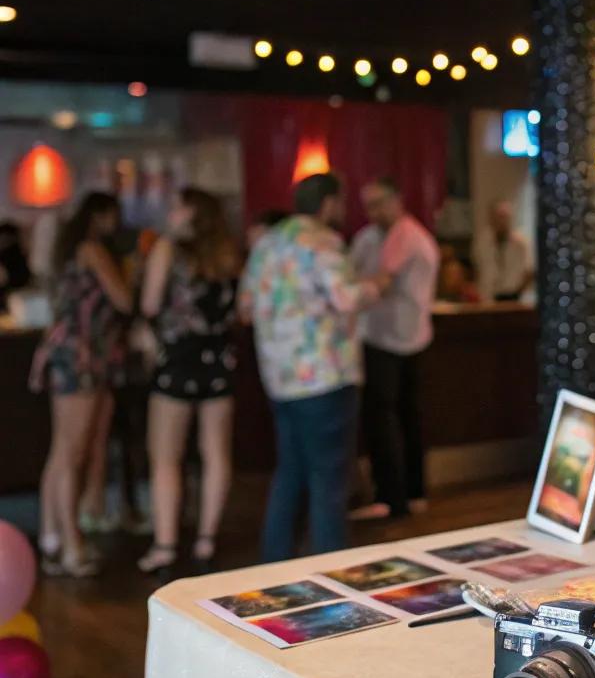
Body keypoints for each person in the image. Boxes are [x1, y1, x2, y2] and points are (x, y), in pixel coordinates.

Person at [240, 172, 383, 561]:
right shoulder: (323, 242)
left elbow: (246, 308)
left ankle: (275, 563)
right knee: (329, 480)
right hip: (325, 377)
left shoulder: (267, 243)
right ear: (328, 203)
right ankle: (329, 570)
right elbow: (347, 298)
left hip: (279, 379)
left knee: (289, 472)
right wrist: (378, 284)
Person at [137, 188, 242, 574]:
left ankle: (165, 545)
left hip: (178, 359)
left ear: (191, 212)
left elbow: (149, 304)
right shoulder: (228, 253)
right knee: (216, 453)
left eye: (177, 205)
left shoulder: (169, 249)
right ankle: (206, 540)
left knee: (166, 456)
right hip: (219, 360)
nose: (171, 211)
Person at [31, 192, 132, 577]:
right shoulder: (91, 249)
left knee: (63, 450)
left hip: (72, 351)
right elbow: (123, 299)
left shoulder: (69, 249)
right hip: (82, 354)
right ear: (101, 216)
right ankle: (70, 544)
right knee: (71, 451)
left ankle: (52, 537)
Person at [350, 177, 440, 520]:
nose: (373, 211)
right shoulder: (369, 237)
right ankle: (407, 494)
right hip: (386, 336)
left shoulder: (406, 236)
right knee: (399, 417)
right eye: (368, 204)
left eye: (378, 203)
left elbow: (377, 284)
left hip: (398, 340)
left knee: (392, 418)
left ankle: (396, 498)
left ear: (397, 199)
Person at [475, 199, 535, 302]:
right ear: (491, 218)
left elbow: (529, 271)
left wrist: (517, 293)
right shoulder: (482, 242)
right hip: (489, 297)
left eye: (504, 217)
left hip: (514, 297)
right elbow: (478, 268)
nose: (501, 222)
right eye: (498, 217)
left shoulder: (522, 243)